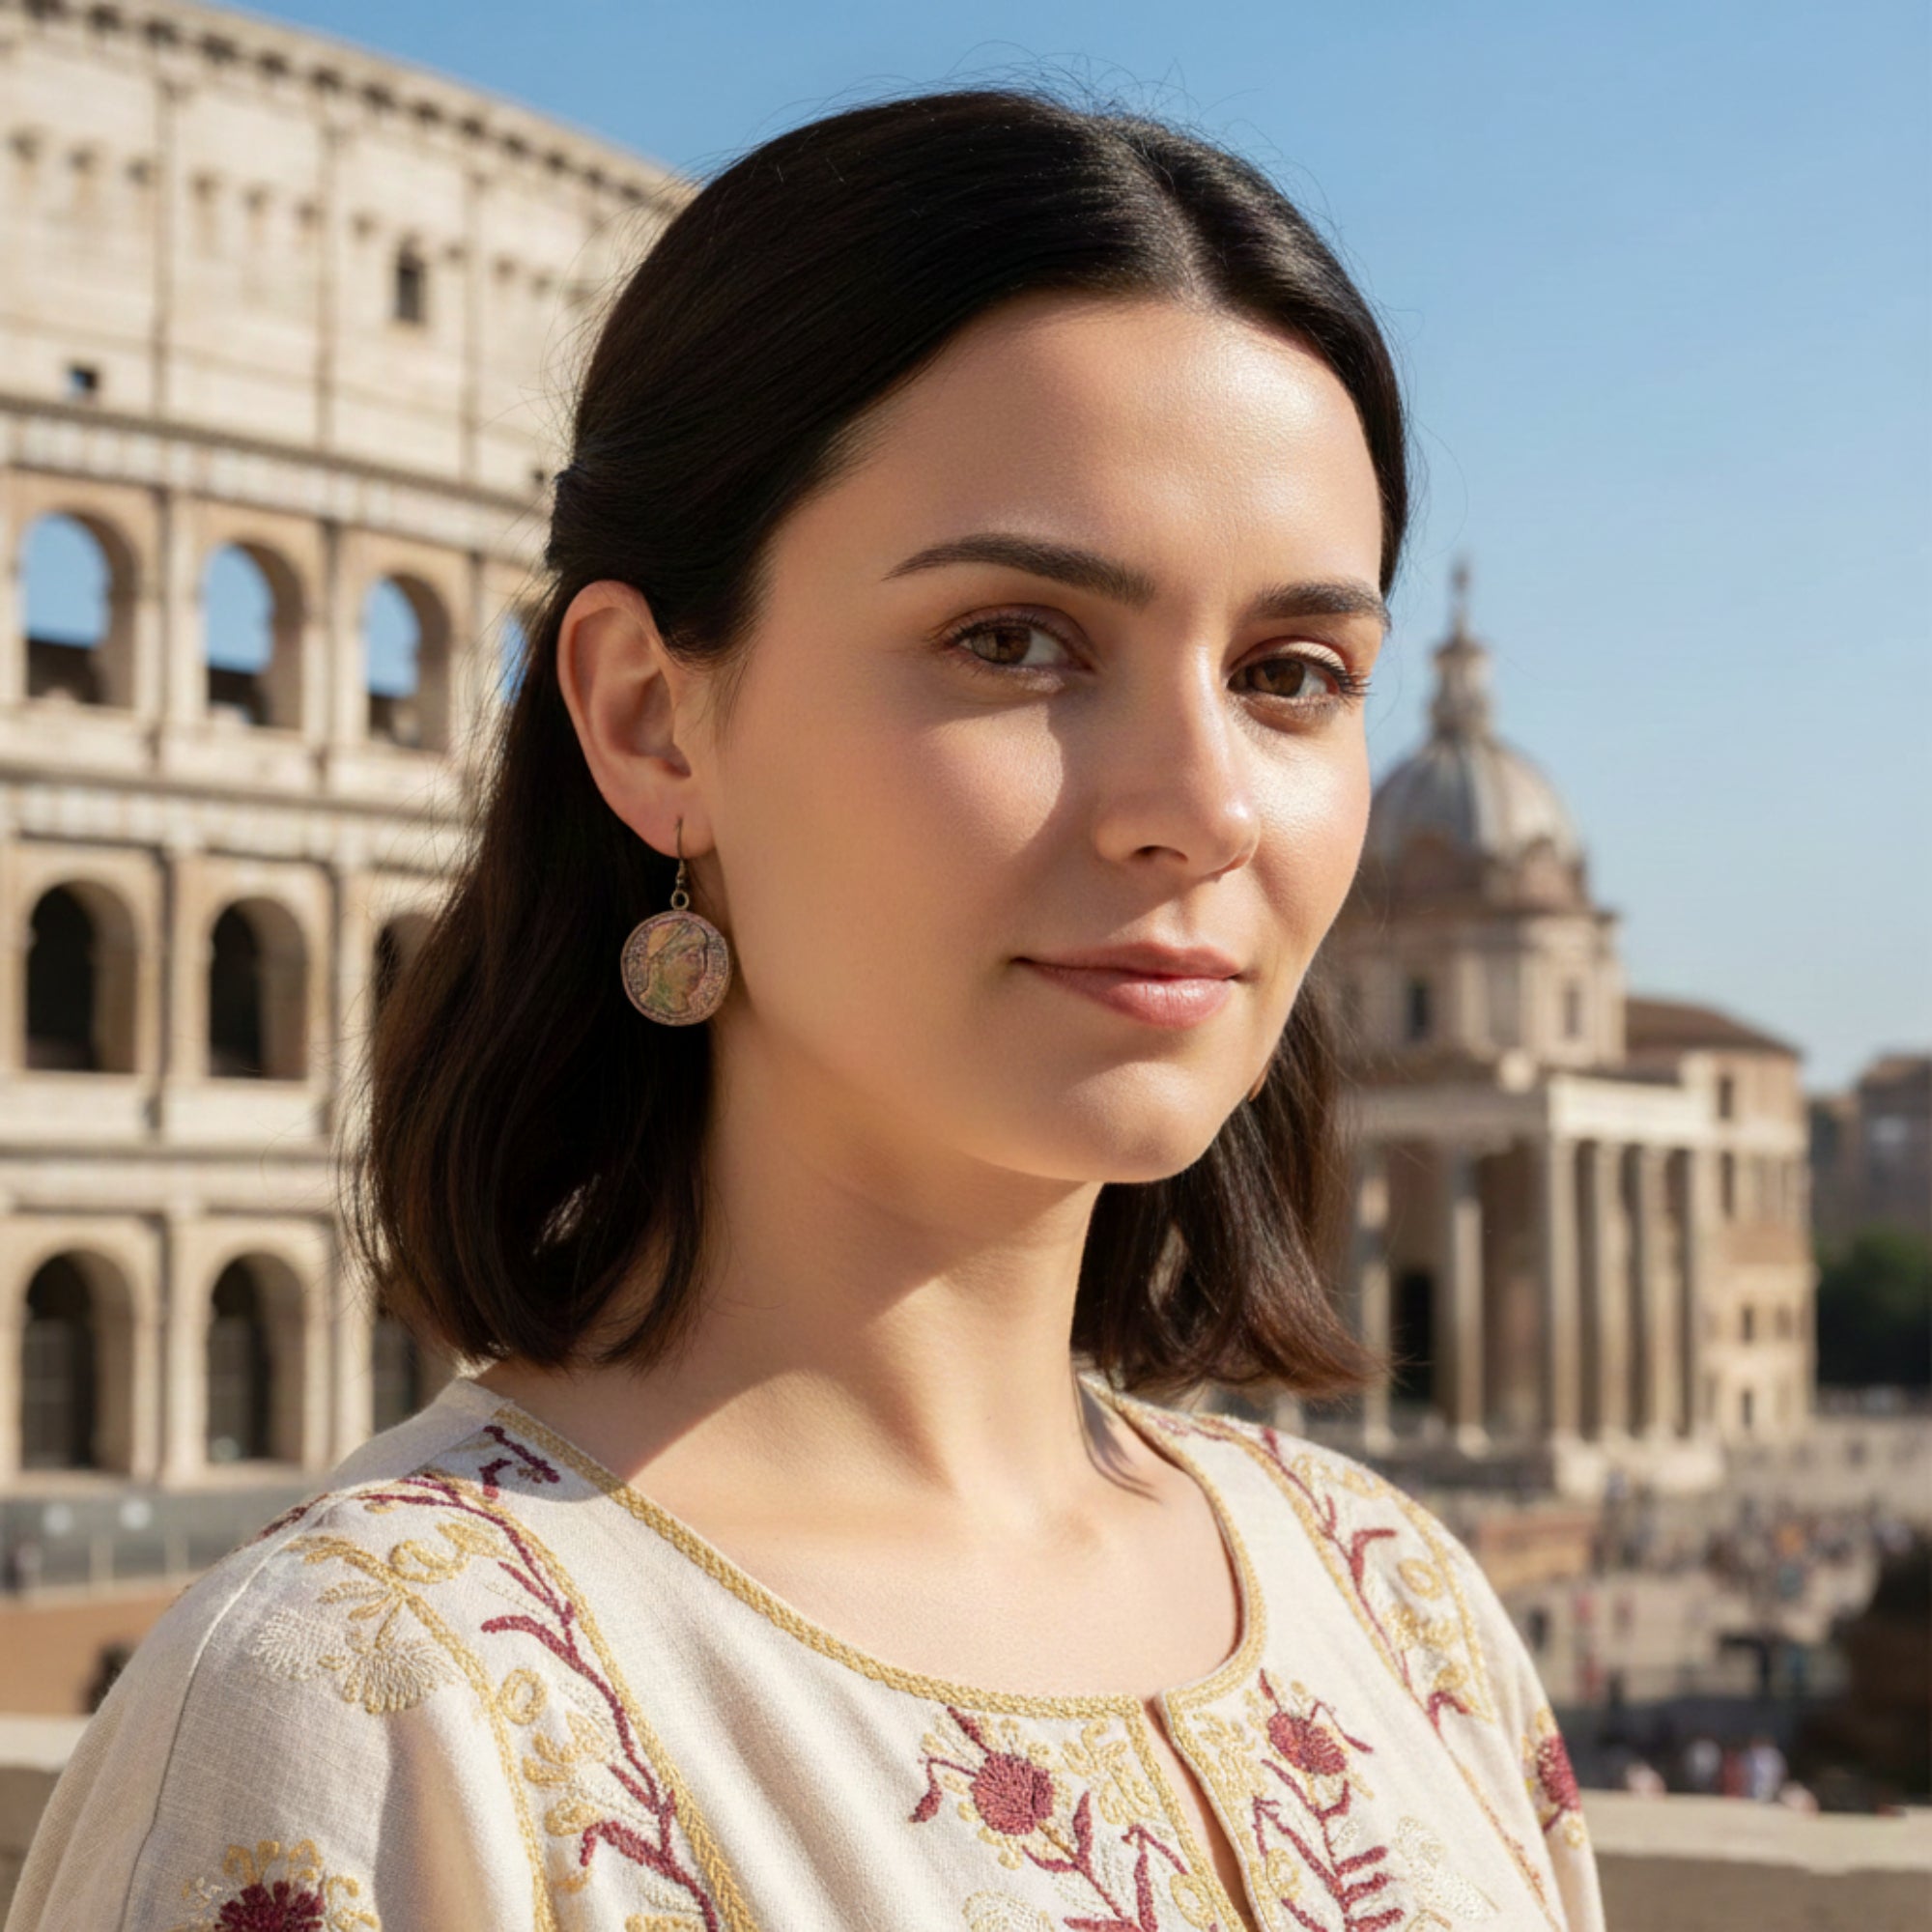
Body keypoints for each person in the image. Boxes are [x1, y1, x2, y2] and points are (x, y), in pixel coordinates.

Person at [6, 86, 1604, 1932]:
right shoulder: (363, 1707)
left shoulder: (1402, 1605)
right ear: (649, 716)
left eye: (1291, 673)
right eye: (1012, 639)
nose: (1206, 801)